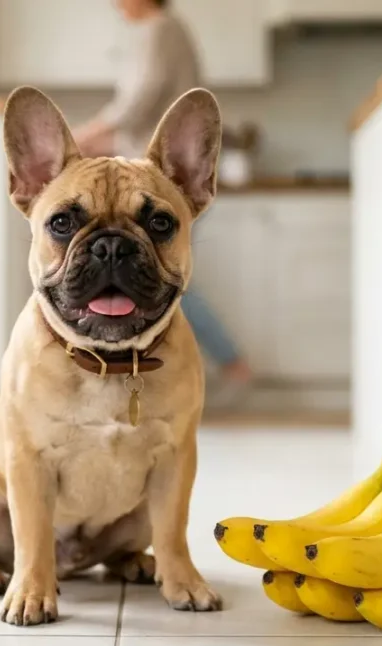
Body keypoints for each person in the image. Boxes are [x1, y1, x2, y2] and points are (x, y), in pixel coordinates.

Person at [73, 0, 252, 401]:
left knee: (167, 275)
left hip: (164, 179)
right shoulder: (152, 32)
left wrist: (79, 138)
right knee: (158, 274)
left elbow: (138, 101)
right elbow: (136, 116)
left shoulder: (161, 29)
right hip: (157, 172)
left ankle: (232, 364)